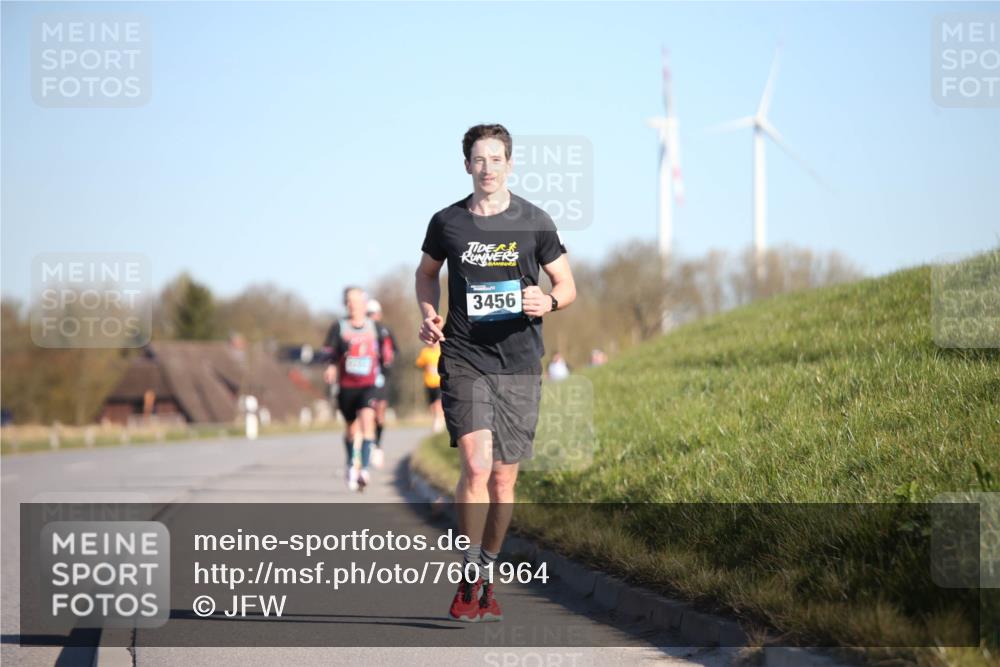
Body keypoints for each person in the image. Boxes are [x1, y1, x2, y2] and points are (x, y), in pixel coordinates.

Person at [414, 123, 576, 622]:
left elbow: (567, 284)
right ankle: (469, 567)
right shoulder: (448, 222)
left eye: (496, 159)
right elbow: (425, 274)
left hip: (520, 362)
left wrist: (547, 300)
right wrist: (428, 313)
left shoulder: (535, 221)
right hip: (464, 356)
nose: (487, 168)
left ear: (510, 163)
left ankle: (486, 568)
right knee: (477, 467)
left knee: (504, 481)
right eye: (478, 160)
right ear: (467, 165)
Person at [322, 287, 388, 492]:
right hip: (347, 386)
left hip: (368, 385)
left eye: (356, 301)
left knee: (368, 421)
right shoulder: (339, 327)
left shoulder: (374, 327)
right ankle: (352, 462)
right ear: (345, 304)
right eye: (349, 301)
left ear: (364, 303)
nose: (353, 305)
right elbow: (329, 351)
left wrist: (384, 366)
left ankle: (364, 470)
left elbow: (386, 352)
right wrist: (331, 366)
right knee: (351, 430)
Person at [365, 298, 398, 468]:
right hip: (365, 378)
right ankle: (367, 445)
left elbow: (395, 352)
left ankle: (377, 445)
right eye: (369, 314)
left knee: (379, 413)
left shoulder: (386, 331)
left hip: (382, 377)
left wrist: (387, 361)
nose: (372, 317)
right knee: (366, 413)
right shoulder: (362, 332)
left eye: (374, 314)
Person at [415, 341, 444, 433]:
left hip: (439, 383)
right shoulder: (425, 352)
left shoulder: (442, 352)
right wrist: (426, 366)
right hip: (428, 383)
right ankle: (437, 419)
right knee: (432, 405)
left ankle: (439, 422)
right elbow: (419, 364)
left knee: (438, 403)